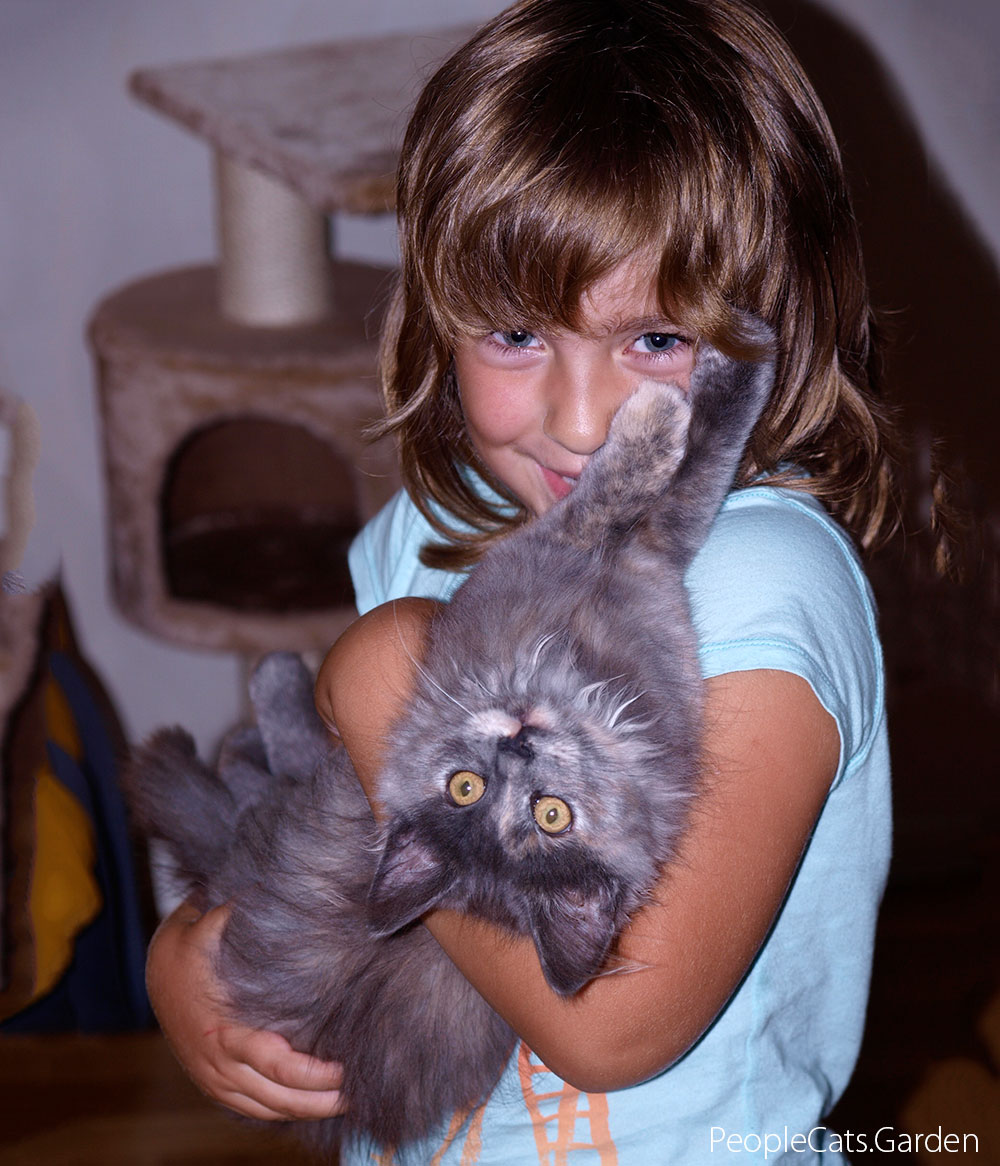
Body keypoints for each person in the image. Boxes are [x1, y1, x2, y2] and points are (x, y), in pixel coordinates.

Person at [146, 1, 900, 1160]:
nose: (583, 418)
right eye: (514, 333)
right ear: (435, 323)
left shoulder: (764, 580)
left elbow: (615, 1025)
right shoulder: (425, 536)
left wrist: (393, 683)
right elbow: (322, 831)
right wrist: (184, 951)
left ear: (773, 328)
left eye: (656, 339)